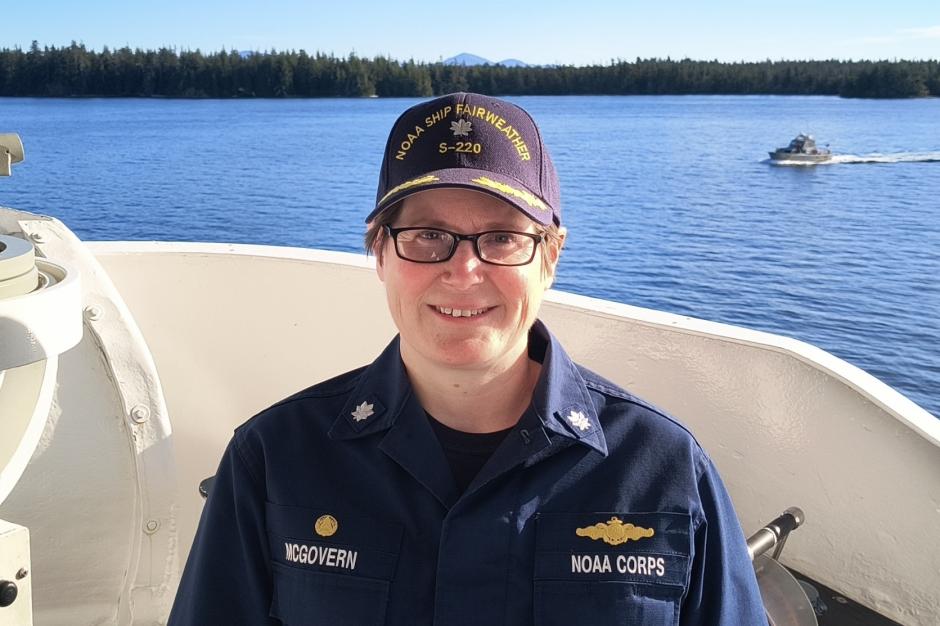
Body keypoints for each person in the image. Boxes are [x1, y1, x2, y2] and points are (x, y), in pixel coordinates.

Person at [169, 92, 766, 625]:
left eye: (503, 238)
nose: (463, 270)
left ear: (550, 258)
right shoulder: (275, 458)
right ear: (379, 252)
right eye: (428, 235)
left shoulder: (661, 468)